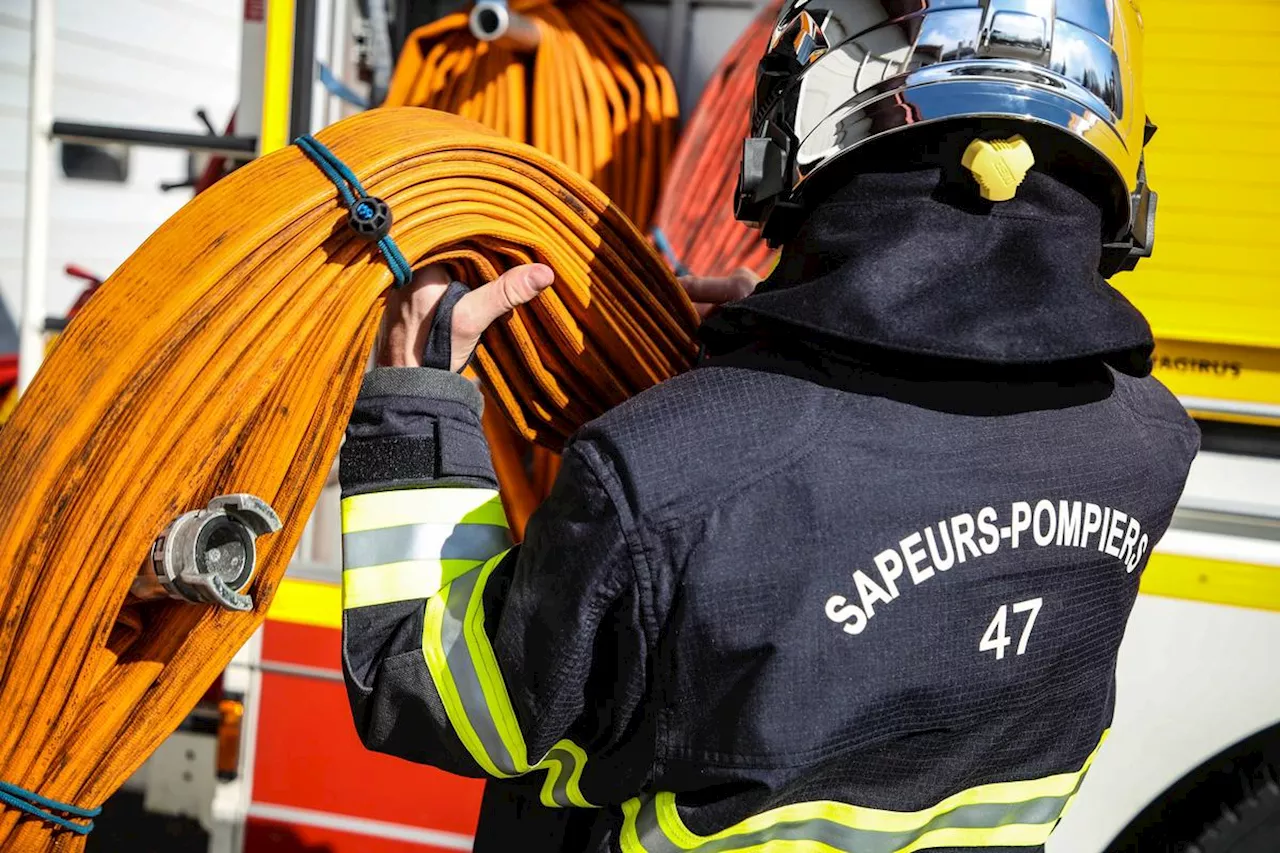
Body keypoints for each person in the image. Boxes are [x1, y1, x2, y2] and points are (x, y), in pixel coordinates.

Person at [338, 1, 1198, 851]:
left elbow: (438, 699)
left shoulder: (658, 476)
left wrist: (417, 397)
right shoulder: (1149, 442)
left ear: (803, 127)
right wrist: (776, 352)